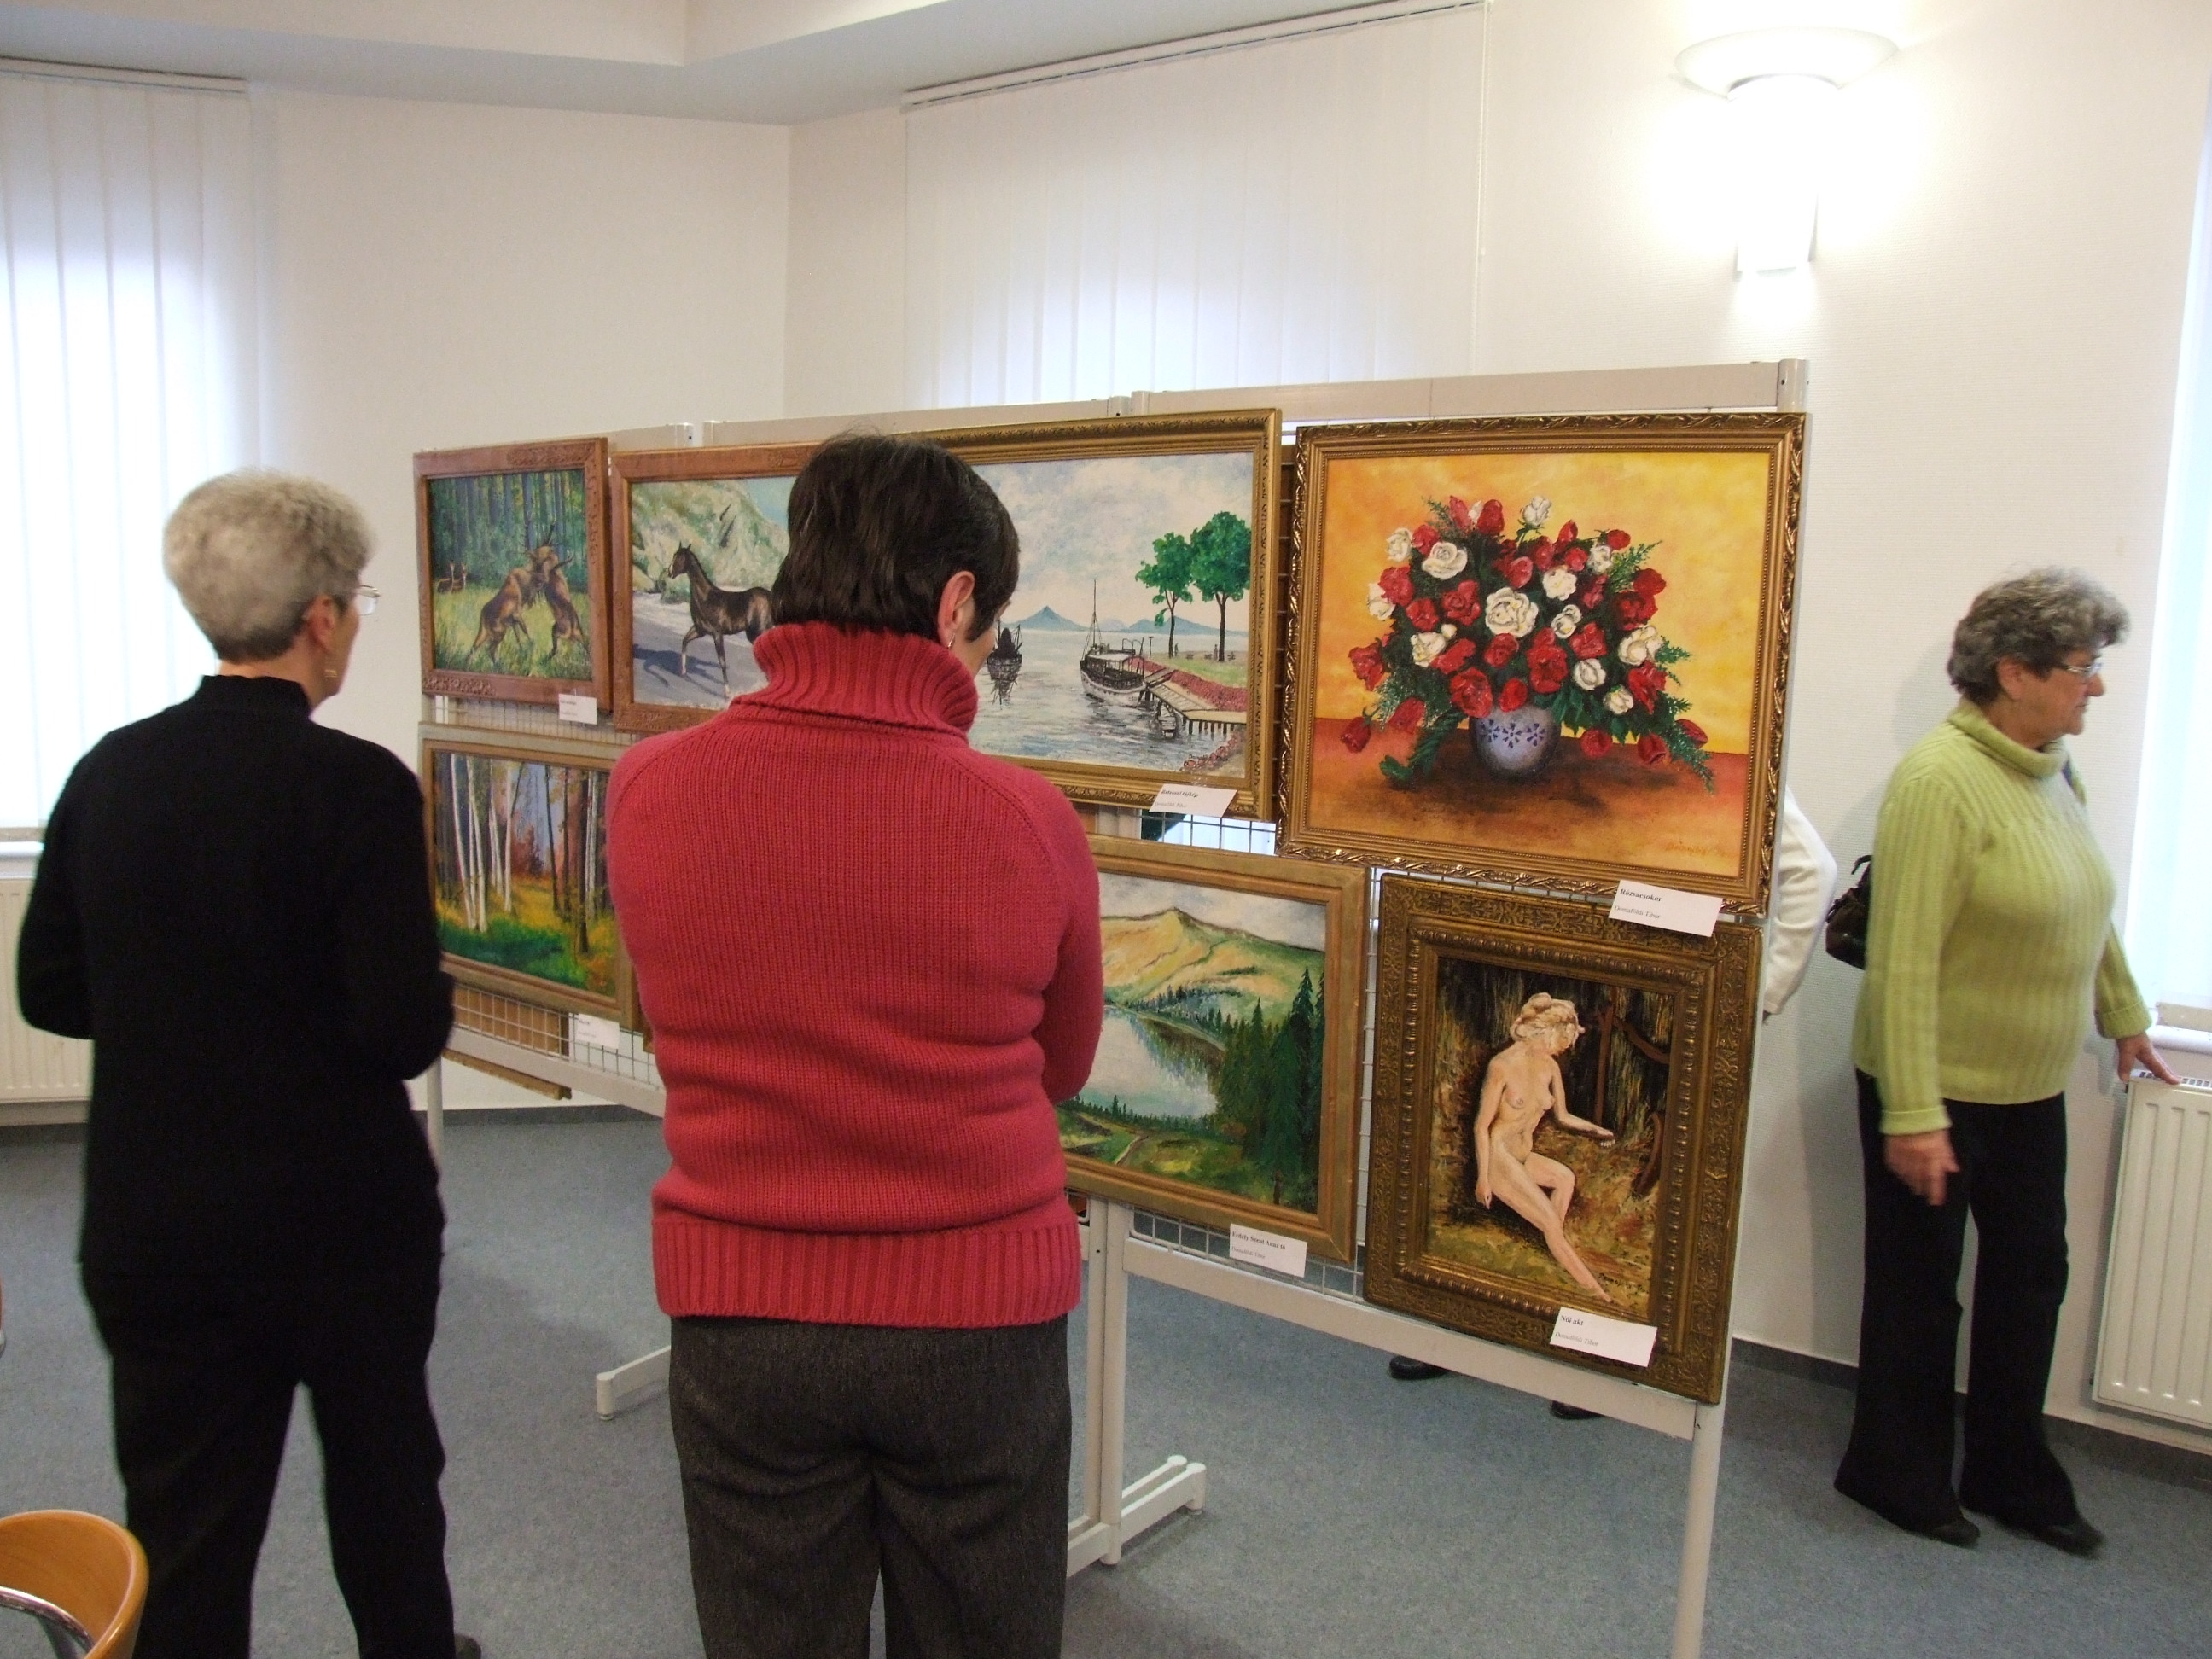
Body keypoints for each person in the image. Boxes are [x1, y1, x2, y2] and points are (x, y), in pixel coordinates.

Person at [608, 434, 1103, 1659]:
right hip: (978, 1317)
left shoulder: (650, 789)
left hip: (741, 1314)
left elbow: (675, 1019)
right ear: (956, 603)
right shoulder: (1028, 820)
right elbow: (1064, 1065)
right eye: (991, 627)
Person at [15, 472, 477, 1659]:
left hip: (156, 1222)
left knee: (186, 1532)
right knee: (385, 1494)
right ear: (322, 617)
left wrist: (181, 1014)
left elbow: (49, 991)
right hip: (342, 1226)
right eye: (358, 601)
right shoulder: (358, 790)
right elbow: (400, 1030)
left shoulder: (107, 771)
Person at [1837, 567, 2177, 1556]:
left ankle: (2007, 1470)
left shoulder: (2054, 769)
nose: (2096, 685)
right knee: (1918, 1291)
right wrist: (1912, 1114)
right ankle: (1894, 1473)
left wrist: (2124, 1015)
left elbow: (2086, 903)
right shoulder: (1937, 783)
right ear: (2015, 673)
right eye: (2082, 666)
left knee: (2032, 1278)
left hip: (2029, 1086)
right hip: (1931, 1085)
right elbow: (1902, 962)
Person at [1473, 993, 1617, 1301]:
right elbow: (1481, 1126)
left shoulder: (1549, 1067)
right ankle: (1597, 1294)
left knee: (1565, 1178)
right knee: (1552, 1224)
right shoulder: (1501, 1066)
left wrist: (1597, 1130)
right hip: (1500, 1158)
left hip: (1523, 1155)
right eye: (1561, 1042)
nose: (1563, 1049)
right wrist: (1483, 1178)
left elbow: (1562, 1116)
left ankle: (1554, 1243)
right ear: (1544, 1033)